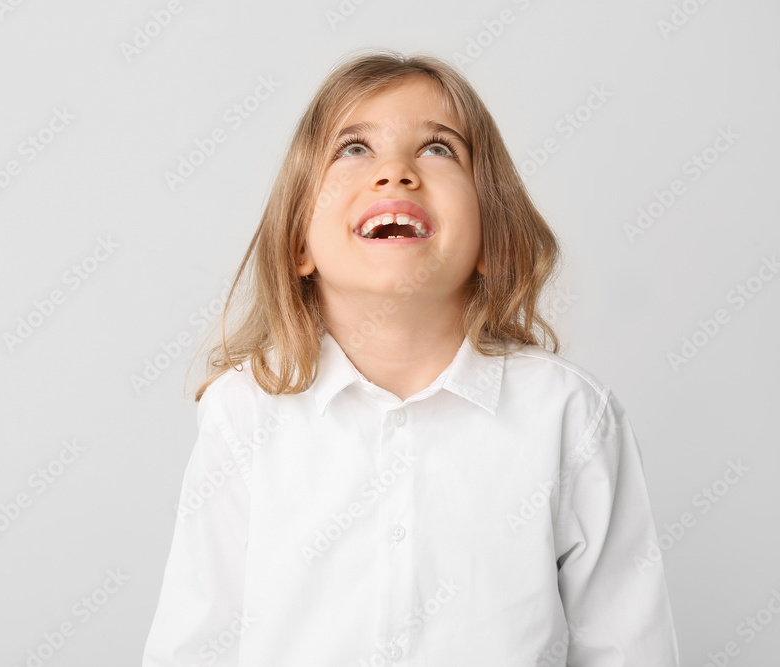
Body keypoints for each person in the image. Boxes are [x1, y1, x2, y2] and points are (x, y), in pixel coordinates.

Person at [142, 49, 680, 666]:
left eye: (437, 148)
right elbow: (196, 643)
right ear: (298, 243)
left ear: (489, 239)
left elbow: (628, 645)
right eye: (353, 149)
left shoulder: (570, 415)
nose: (395, 172)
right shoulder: (243, 411)